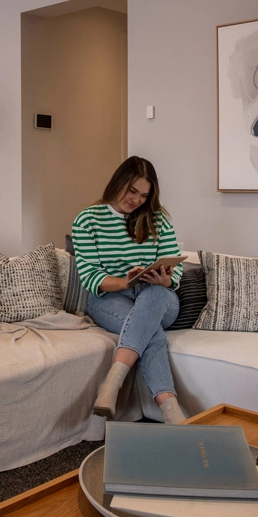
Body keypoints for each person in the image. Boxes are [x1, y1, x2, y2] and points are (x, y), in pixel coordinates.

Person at [71, 156, 186, 424]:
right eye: (132, 191)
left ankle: (112, 382)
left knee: (154, 295)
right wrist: (126, 281)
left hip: (160, 297)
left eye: (144, 195)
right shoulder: (88, 220)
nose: (136, 200)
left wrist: (163, 280)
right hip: (109, 298)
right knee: (149, 330)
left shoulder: (158, 219)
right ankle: (171, 411)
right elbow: (90, 276)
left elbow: (176, 269)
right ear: (118, 182)